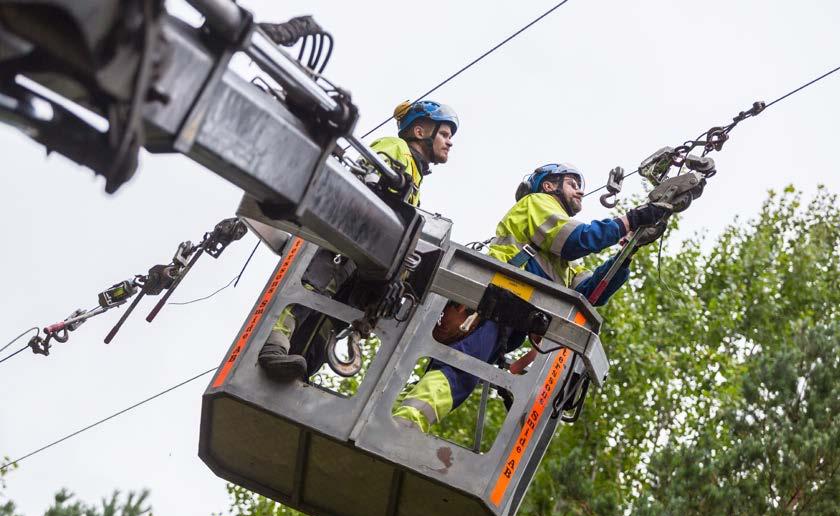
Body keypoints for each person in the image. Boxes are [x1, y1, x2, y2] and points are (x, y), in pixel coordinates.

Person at [392, 163, 668, 432]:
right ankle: (405, 423)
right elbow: (577, 240)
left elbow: (592, 292)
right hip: (493, 300)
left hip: (509, 315)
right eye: (573, 184)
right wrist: (630, 219)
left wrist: (628, 250)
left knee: (461, 375)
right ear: (549, 186)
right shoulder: (537, 203)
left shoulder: (563, 265)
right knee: (458, 370)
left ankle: (408, 423)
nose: (581, 192)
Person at [259, 100, 460, 381]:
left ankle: (302, 367)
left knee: (332, 315)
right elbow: (363, 182)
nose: (449, 143)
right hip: (342, 240)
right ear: (419, 130)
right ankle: (273, 346)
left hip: (362, 258)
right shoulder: (395, 148)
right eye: (445, 134)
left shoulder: (415, 178)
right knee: (311, 289)